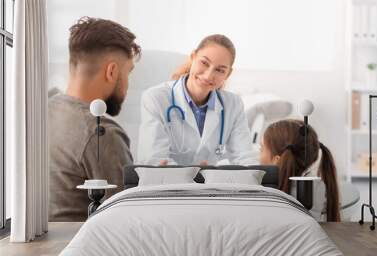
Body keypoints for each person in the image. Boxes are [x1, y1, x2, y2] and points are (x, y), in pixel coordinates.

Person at [48, 17, 141, 222]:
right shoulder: (101, 133)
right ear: (112, 71)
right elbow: (128, 220)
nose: (127, 84)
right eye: (128, 72)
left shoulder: (43, 109)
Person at [138, 34, 257, 166]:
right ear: (193, 57)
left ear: (228, 74)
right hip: (166, 184)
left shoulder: (233, 105)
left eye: (219, 70)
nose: (208, 75)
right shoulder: (156, 98)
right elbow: (153, 159)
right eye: (204, 63)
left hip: (211, 185)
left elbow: (245, 158)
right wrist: (195, 175)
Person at [260, 119, 340, 222]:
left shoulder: (267, 195)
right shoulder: (318, 187)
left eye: (261, 149)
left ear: (277, 160)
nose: (258, 155)